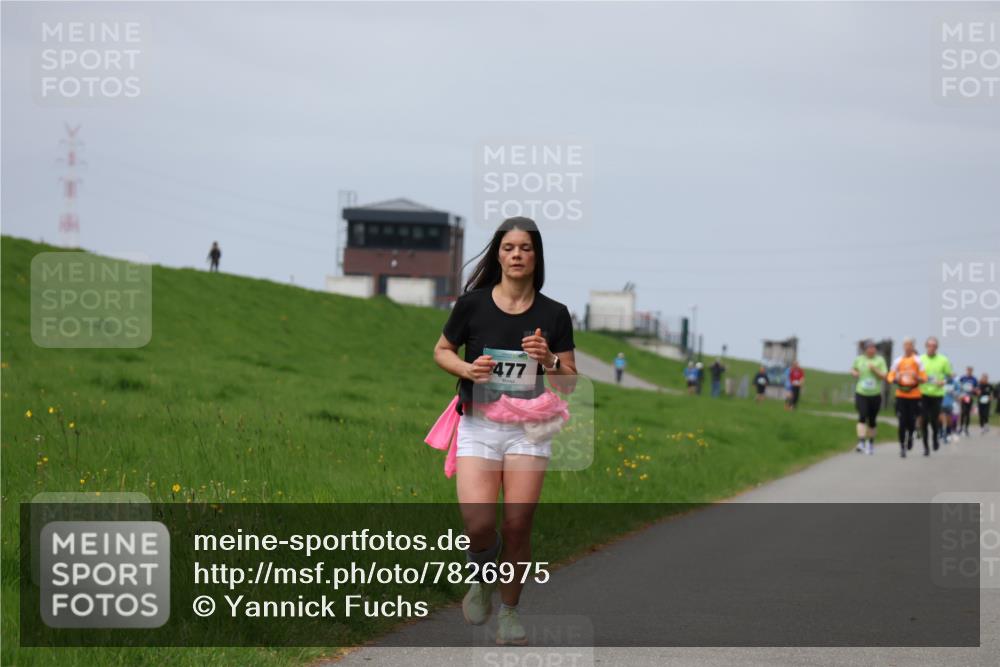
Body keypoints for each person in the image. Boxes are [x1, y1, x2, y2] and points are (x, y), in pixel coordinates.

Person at [431, 217, 576, 646]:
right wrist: (466, 369)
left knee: (517, 524)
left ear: (536, 256)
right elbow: (441, 351)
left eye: (525, 248)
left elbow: (569, 381)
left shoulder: (554, 314)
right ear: (498, 253)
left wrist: (549, 359)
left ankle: (509, 613)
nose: (517, 255)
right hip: (479, 423)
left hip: (529, 430)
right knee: (478, 523)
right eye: (509, 247)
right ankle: (481, 572)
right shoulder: (472, 304)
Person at [886, 337, 928, 457]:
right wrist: (895, 379)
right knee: (902, 422)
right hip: (901, 395)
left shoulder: (917, 360)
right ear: (903, 347)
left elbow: (924, 378)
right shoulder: (898, 361)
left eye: (910, 345)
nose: (907, 347)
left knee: (911, 422)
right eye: (905, 345)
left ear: (913, 346)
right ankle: (902, 447)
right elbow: (890, 375)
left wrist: (917, 377)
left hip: (914, 395)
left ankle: (910, 437)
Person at [851, 340, 887, 455]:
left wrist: (874, 369)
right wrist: (854, 373)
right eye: (869, 348)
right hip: (861, 392)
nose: (871, 350)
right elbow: (853, 369)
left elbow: (884, 376)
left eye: (873, 348)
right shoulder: (860, 359)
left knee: (872, 420)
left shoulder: (880, 360)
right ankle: (861, 442)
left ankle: (870, 443)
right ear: (865, 349)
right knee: (862, 415)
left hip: (875, 394)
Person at [918, 337, 953, 453]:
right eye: (929, 346)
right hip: (923, 393)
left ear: (937, 348)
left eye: (934, 346)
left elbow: (950, 375)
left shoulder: (943, 360)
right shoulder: (920, 359)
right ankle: (925, 446)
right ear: (926, 346)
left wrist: (944, 381)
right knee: (924, 419)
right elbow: (915, 374)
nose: (931, 348)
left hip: (937, 394)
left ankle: (935, 439)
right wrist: (919, 379)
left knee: (934, 419)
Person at [957, 367, 978, 436]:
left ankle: (966, 428)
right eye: (968, 371)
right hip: (963, 397)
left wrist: (974, 390)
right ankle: (960, 428)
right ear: (966, 371)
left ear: (972, 371)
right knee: (963, 412)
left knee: (968, 413)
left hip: (970, 397)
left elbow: (976, 389)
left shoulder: (974, 379)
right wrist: (959, 395)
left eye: (971, 371)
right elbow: (958, 386)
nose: (969, 372)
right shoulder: (962, 378)